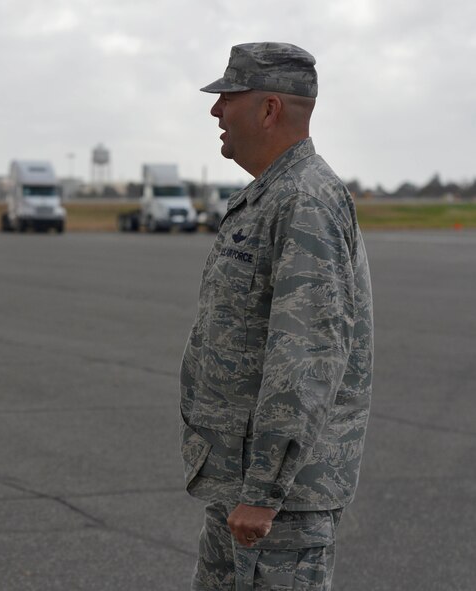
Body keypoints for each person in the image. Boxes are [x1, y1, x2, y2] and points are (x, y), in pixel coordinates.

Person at [178, 43, 373, 590]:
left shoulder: (304, 200)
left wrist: (263, 492)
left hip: (275, 508)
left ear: (268, 110)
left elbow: (305, 357)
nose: (216, 111)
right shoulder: (270, 196)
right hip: (243, 491)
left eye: (228, 99)